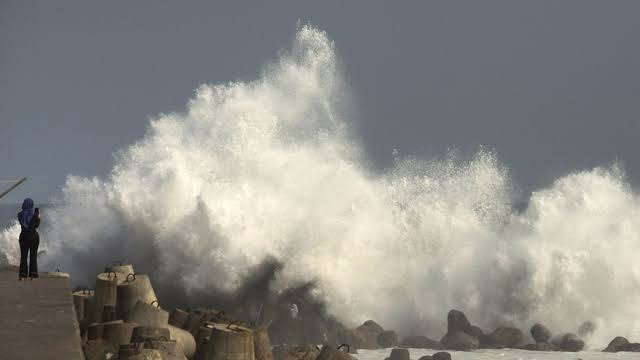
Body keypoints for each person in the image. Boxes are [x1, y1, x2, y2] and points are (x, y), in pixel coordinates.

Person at [17, 198, 40, 280]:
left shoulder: (19, 214)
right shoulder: (35, 213)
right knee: (33, 256)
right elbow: (37, 225)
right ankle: (33, 275)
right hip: (34, 237)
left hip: (23, 237)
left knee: (23, 256)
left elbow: (23, 222)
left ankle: (22, 275)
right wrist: (38, 215)